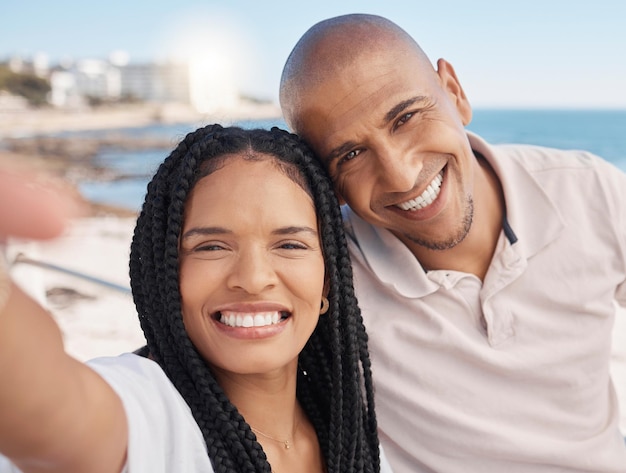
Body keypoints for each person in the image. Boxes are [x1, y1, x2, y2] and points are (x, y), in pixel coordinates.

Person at [279, 13, 626, 473]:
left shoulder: (590, 191)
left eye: (405, 117)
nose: (401, 175)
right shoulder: (328, 276)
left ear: (455, 92)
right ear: (329, 183)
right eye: (352, 154)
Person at [0, 124, 393, 473]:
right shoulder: (148, 412)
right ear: (167, 273)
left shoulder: (352, 434)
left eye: (290, 244)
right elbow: (50, 410)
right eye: (211, 247)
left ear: (327, 282)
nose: (254, 279)